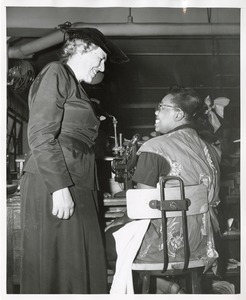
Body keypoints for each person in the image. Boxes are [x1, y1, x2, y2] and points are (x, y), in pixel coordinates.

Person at [20, 28, 128, 294]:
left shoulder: (74, 85)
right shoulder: (56, 72)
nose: (103, 67)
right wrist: (59, 188)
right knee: (63, 268)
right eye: (100, 59)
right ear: (81, 48)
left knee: (79, 265)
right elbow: (41, 134)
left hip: (77, 179)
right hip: (57, 181)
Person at [106, 86, 222, 294]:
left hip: (166, 248)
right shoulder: (212, 150)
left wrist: (118, 220)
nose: (156, 112)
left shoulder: (154, 147)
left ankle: (163, 286)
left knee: (104, 239)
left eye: (161, 107)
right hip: (202, 245)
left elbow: (141, 207)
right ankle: (167, 287)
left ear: (178, 113)